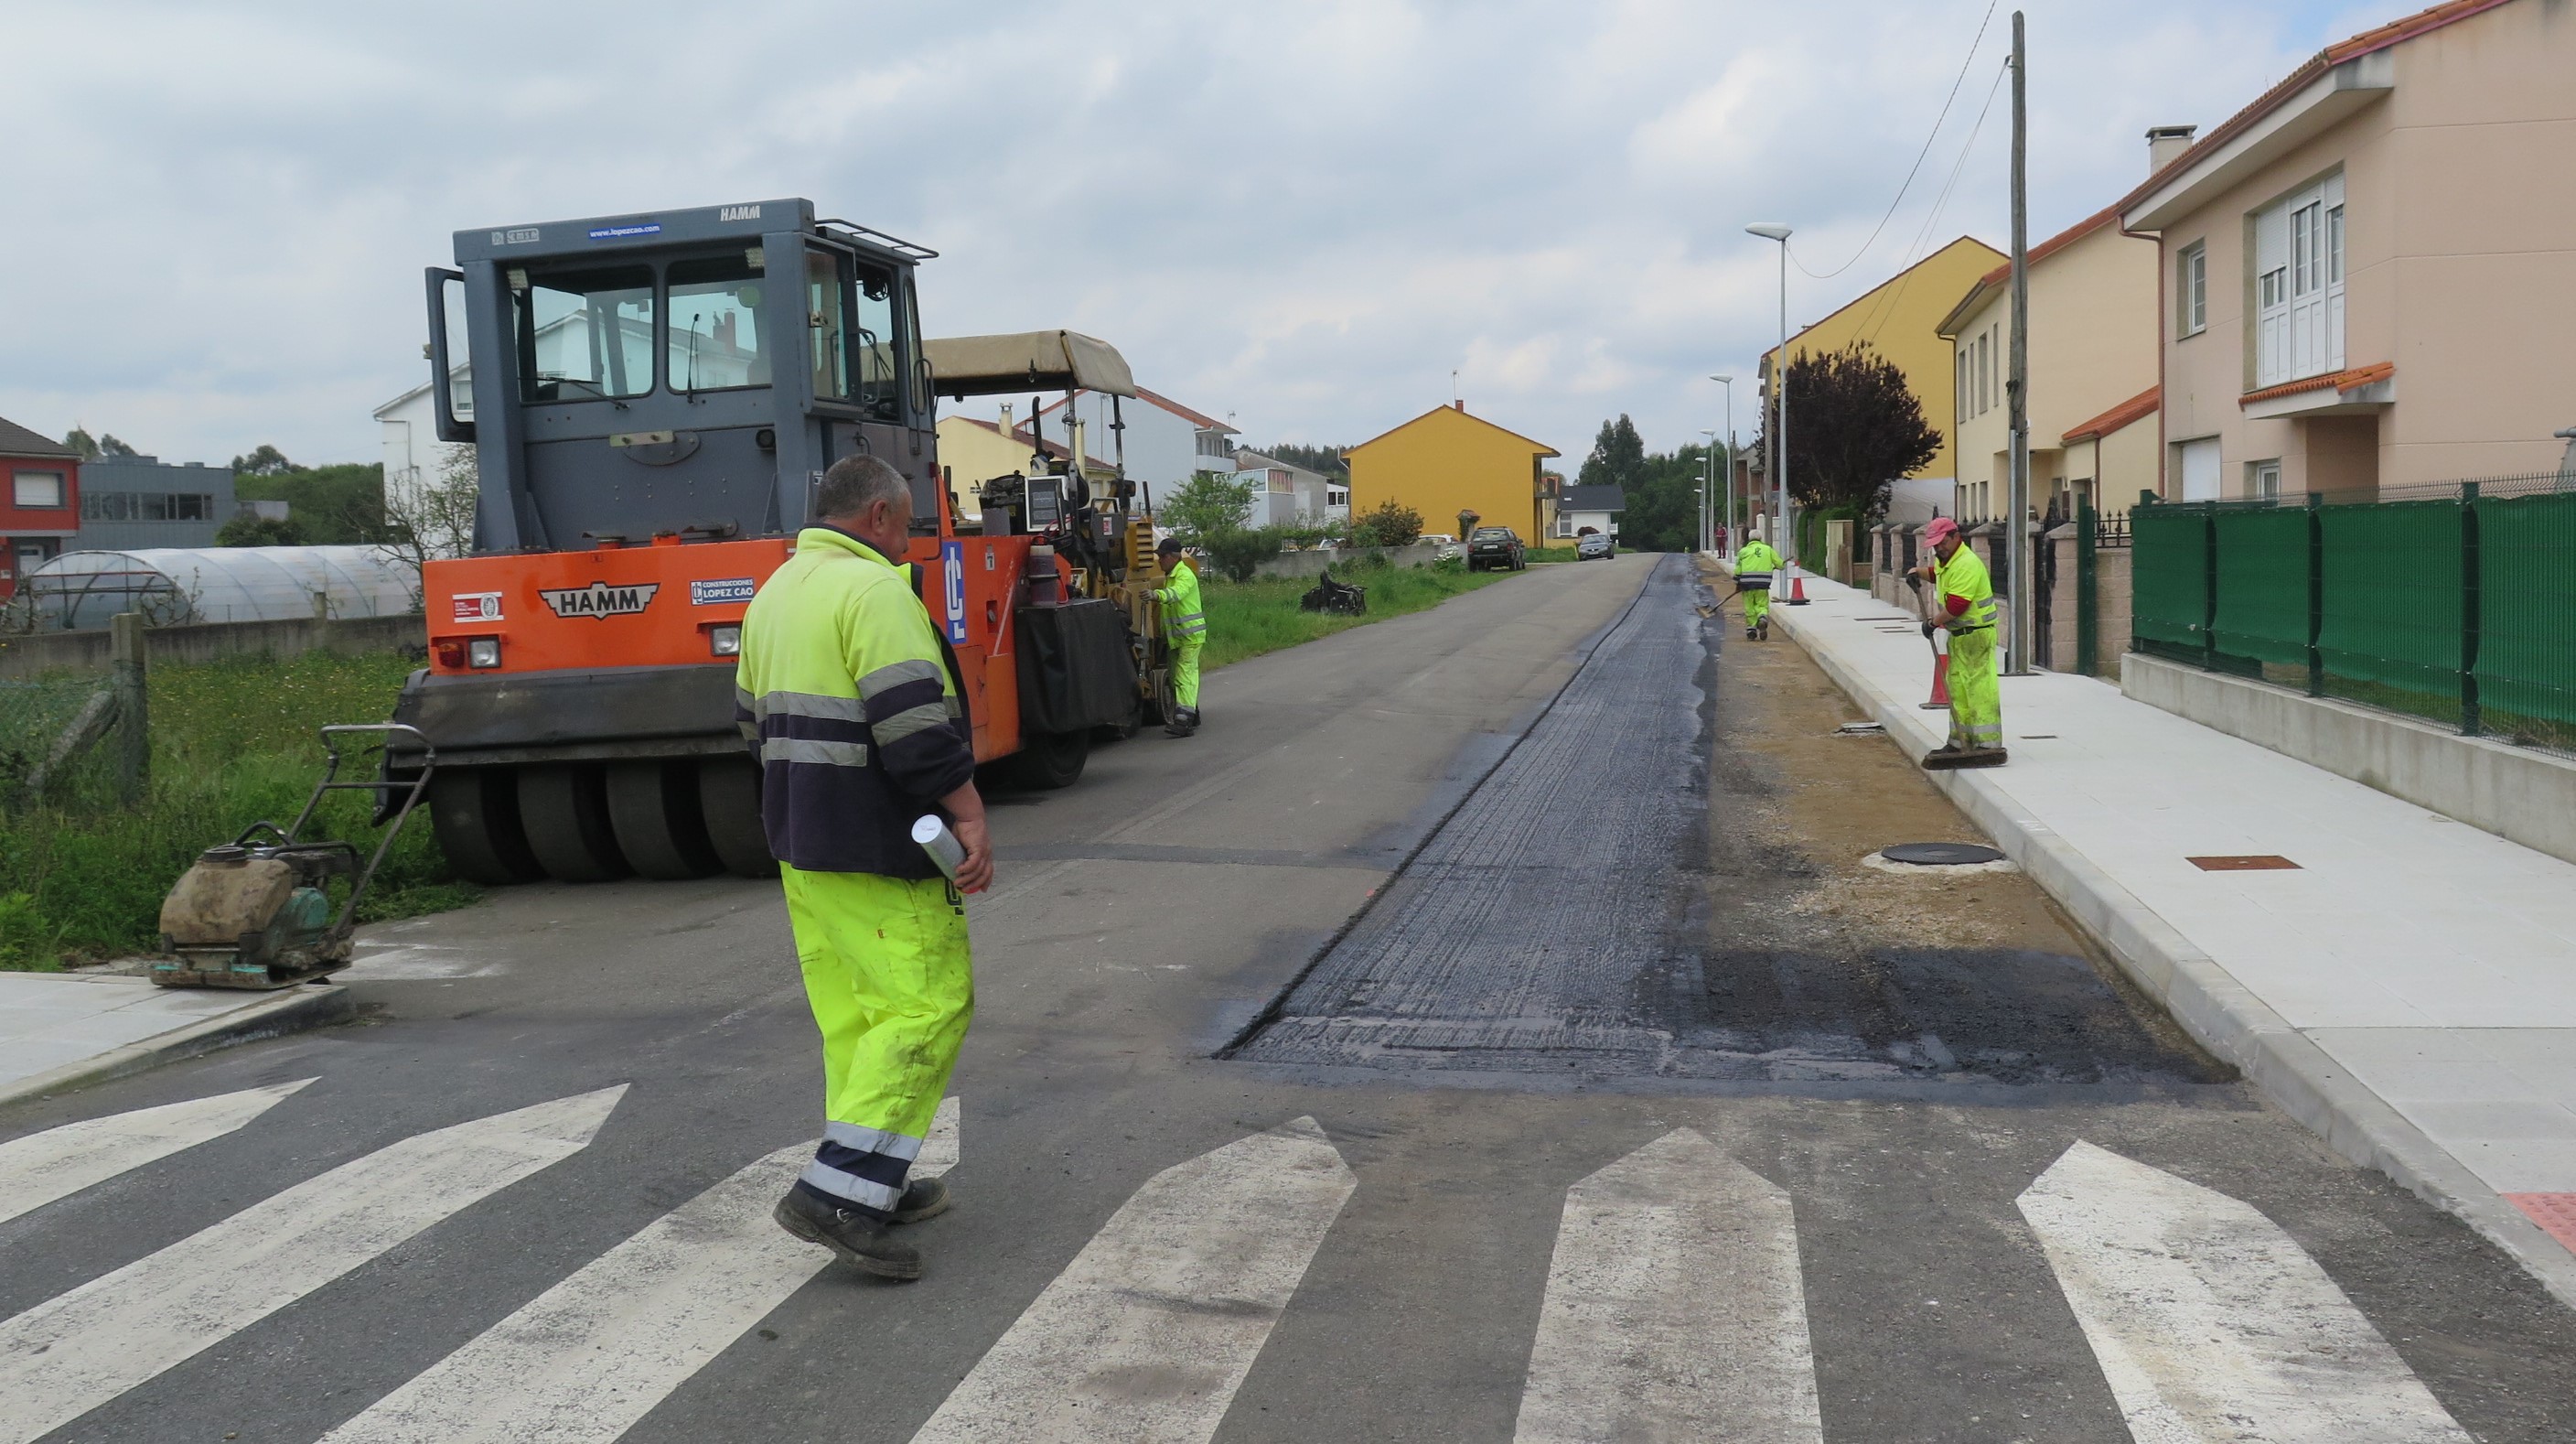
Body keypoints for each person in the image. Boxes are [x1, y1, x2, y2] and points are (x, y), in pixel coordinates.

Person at [735, 454, 993, 1281]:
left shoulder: (776, 592)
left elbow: (749, 722)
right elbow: (914, 727)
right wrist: (968, 813)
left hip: (804, 842)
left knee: (856, 1020)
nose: (908, 540)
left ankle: (871, 1182)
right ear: (878, 515)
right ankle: (836, 1197)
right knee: (927, 1005)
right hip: (879, 842)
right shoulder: (875, 592)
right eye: (907, 523)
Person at [1912, 515, 2005, 768]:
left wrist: (1932, 623)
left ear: (1955, 537)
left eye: (1942, 542)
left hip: (1976, 634)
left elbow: (1957, 606)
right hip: (1961, 636)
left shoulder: (1966, 564)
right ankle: (1959, 740)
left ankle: (1987, 744)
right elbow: (1938, 575)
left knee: (1978, 688)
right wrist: (1918, 573)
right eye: (1935, 545)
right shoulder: (1948, 561)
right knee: (1958, 688)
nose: (1938, 548)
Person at [1151, 535, 1208, 737]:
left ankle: (1184, 721)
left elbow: (1177, 593)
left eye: (1162, 556)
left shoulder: (1184, 575)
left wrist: (1157, 595)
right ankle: (1193, 712)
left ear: (1173, 557)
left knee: (1185, 675)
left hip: (1190, 636)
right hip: (1178, 637)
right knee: (1177, 677)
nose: (1159, 560)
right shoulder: (1171, 575)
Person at [1734, 531, 1783, 641]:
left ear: (1749, 539)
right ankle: (1762, 618)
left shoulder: (1743, 551)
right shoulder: (1768, 549)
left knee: (1749, 606)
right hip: (1763, 583)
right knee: (1762, 604)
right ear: (1760, 538)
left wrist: (1737, 583)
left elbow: (1738, 570)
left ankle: (1751, 629)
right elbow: (1780, 565)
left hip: (1747, 584)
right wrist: (1779, 565)